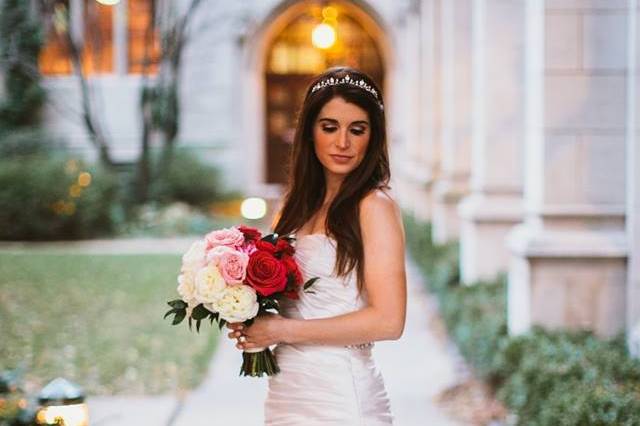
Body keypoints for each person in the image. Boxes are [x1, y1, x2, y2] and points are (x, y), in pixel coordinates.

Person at [226, 66, 407, 425]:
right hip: (288, 389)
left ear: (373, 138)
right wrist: (252, 320)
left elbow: (389, 321)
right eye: (330, 127)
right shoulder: (293, 205)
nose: (343, 143)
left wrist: (282, 330)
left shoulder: (374, 207)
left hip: (341, 395)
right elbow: (287, 301)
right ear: (310, 132)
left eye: (357, 130)